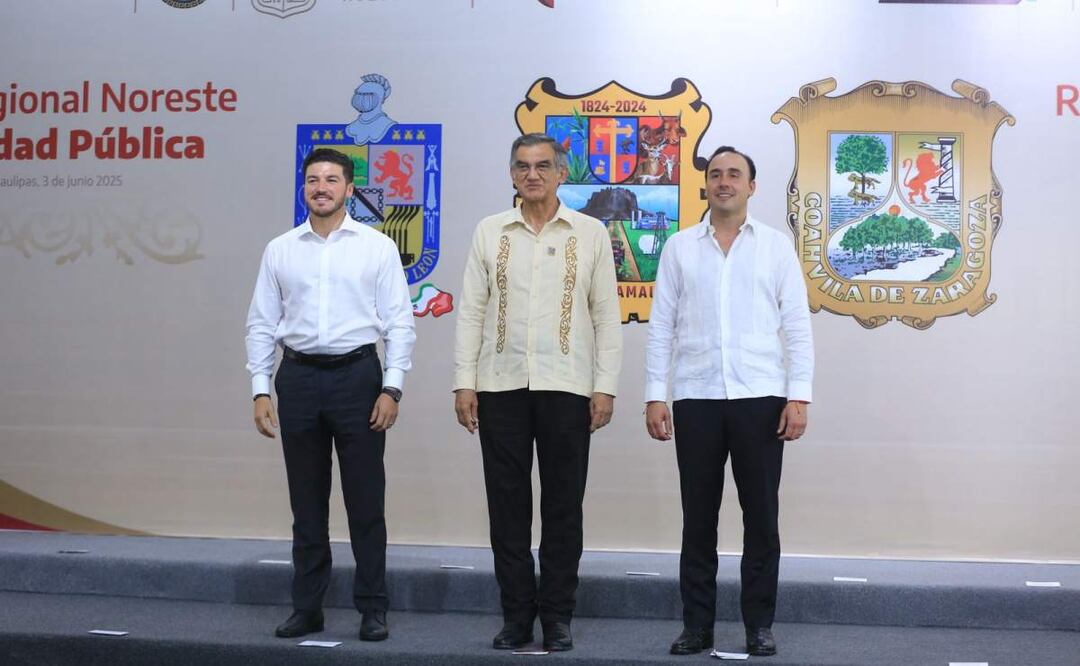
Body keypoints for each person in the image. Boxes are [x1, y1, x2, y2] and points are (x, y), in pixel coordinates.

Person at [453, 133, 622, 652]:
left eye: (543, 166)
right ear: (511, 174)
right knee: (507, 509)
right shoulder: (489, 231)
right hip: (500, 385)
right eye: (523, 166)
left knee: (563, 508)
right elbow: (472, 312)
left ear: (561, 173)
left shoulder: (589, 233)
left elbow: (606, 317)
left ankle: (557, 618)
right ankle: (516, 618)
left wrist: (605, 387)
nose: (533, 175)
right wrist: (465, 382)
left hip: (567, 386)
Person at [644, 146, 814, 657]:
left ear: (751, 186)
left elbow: (797, 327)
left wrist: (799, 396)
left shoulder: (776, 247)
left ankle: (758, 625)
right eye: (715, 175)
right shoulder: (678, 247)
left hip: (761, 397)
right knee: (698, 518)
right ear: (706, 186)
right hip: (695, 397)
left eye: (734, 174)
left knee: (761, 517)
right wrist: (657, 395)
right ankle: (697, 626)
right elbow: (660, 328)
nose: (724, 182)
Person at [245, 147, 415, 642]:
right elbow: (260, 324)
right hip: (296, 380)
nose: (322, 187)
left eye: (332, 179)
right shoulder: (280, 249)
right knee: (307, 503)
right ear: (304, 188)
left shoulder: (376, 246)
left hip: (359, 378)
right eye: (313, 179)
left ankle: (373, 607)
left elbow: (400, 325)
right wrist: (260, 389)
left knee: (366, 502)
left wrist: (393, 387)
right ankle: (307, 608)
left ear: (348, 188)